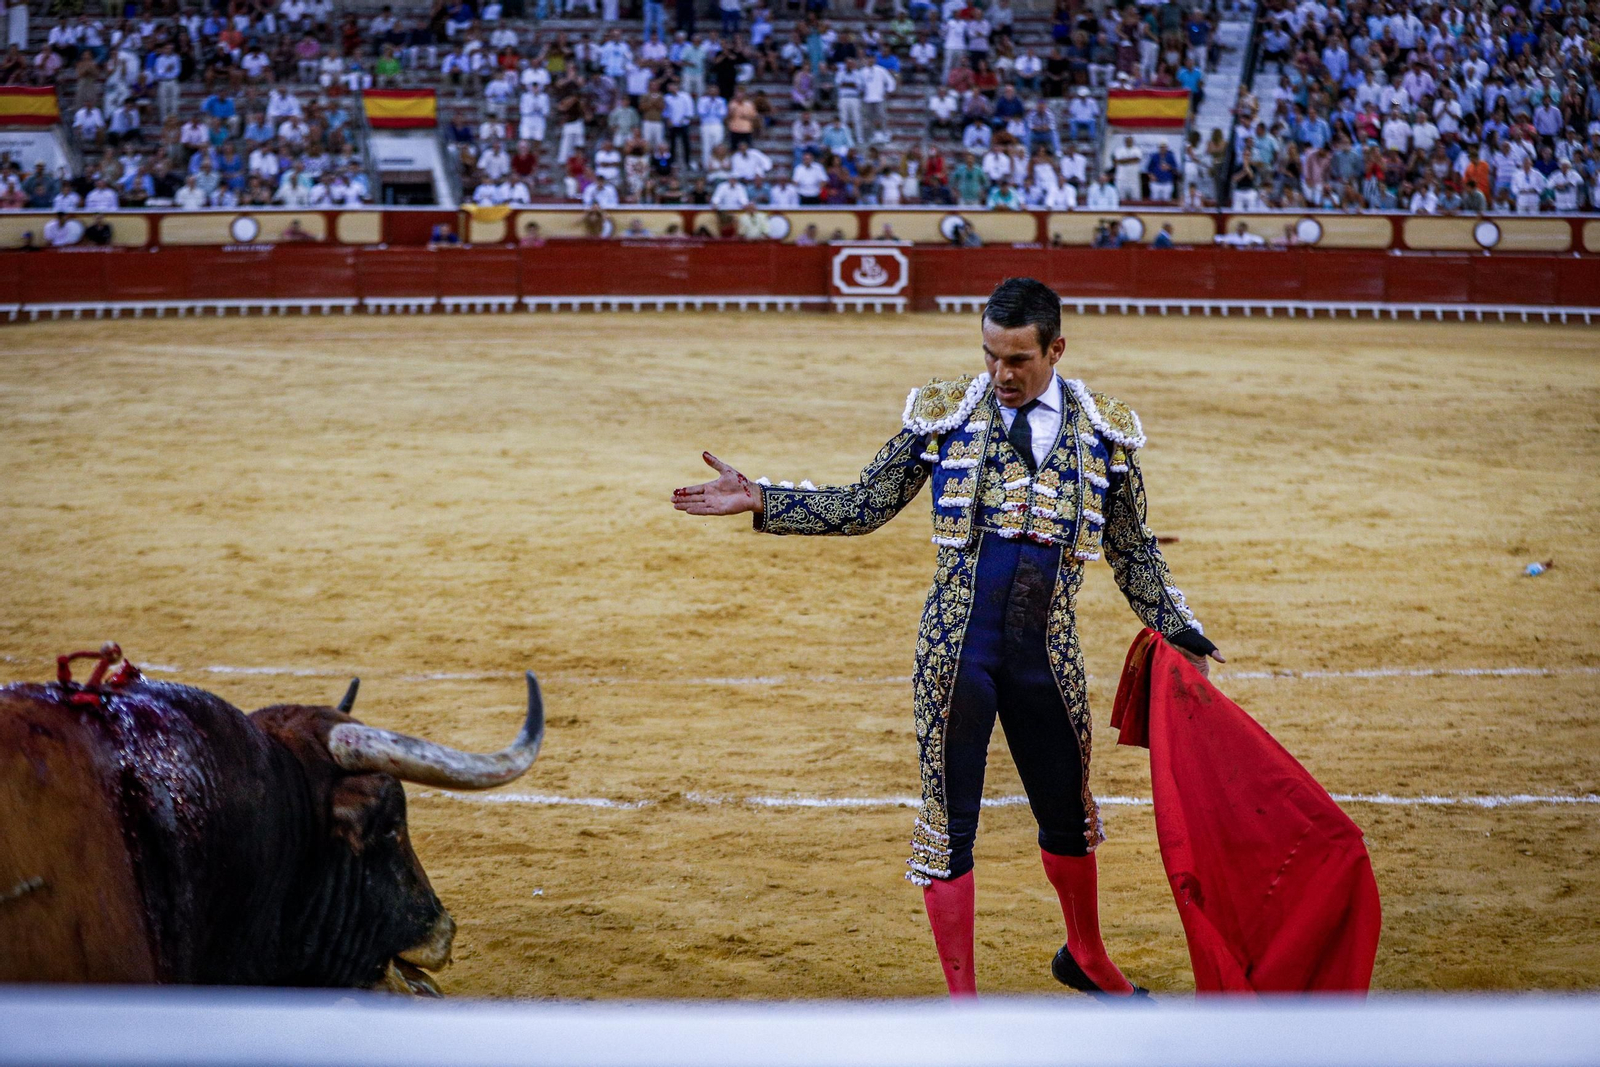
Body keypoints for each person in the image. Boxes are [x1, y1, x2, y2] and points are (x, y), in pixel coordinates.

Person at [673, 278, 1222, 999]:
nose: (1001, 373)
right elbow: (866, 503)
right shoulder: (947, 414)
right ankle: (963, 1006)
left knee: (1067, 810)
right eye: (990, 355)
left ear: (1056, 349)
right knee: (950, 822)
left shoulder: (1104, 433)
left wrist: (1178, 626)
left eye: (1018, 359)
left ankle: (1086, 956)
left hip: (1048, 654)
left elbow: (1131, 548)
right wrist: (765, 499)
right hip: (957, 651)